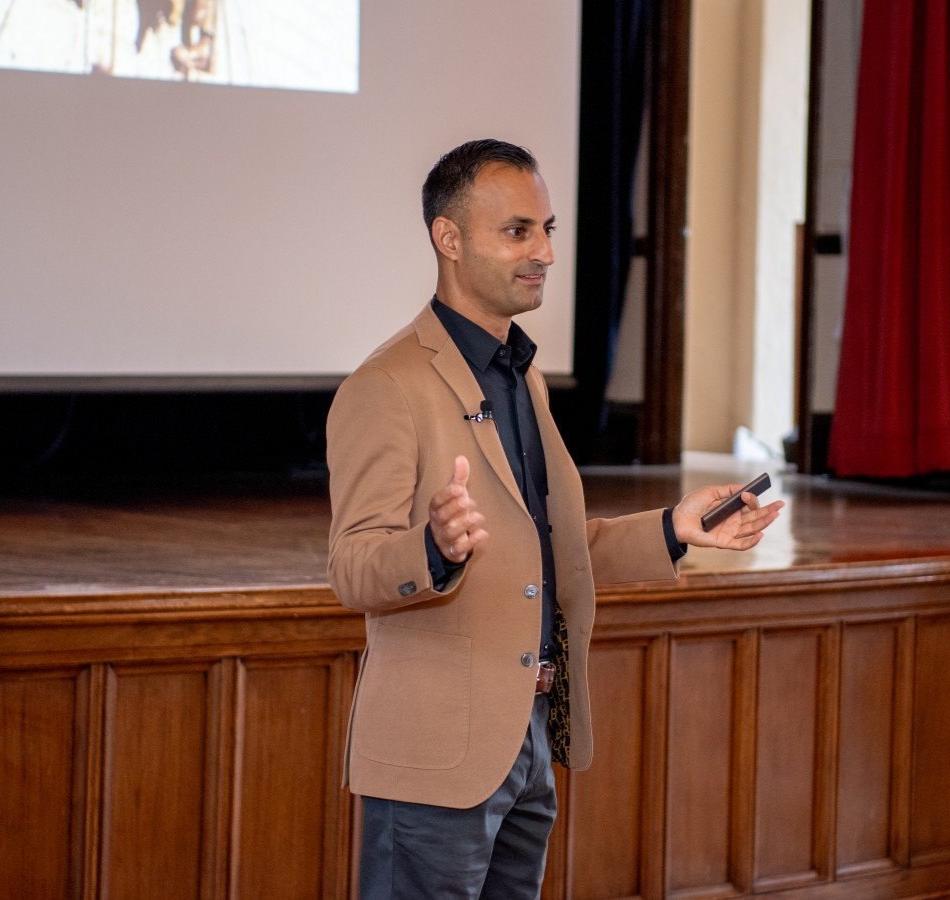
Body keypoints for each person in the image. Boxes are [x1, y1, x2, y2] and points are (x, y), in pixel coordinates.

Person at [326, 138, 783, 898]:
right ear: (449, 239)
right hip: (438, 761)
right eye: (517, 232)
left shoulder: (522, 377)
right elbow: (351, 567)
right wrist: (432, 548)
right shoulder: (387, 385)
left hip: (529, 741)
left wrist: (675, 528)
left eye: (548, 229)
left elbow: (556, 552)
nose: (542, 251)